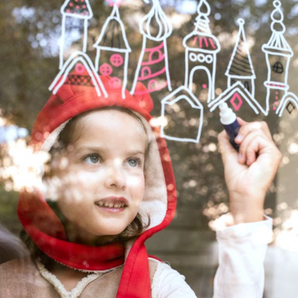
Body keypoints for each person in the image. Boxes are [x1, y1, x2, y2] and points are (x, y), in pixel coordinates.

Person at [0, 73, 281, 298]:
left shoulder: (160, 287)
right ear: (50, 176)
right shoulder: (7, 282)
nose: (118, 178)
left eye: (133, 162)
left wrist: (246, 202)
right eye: (94, 157)